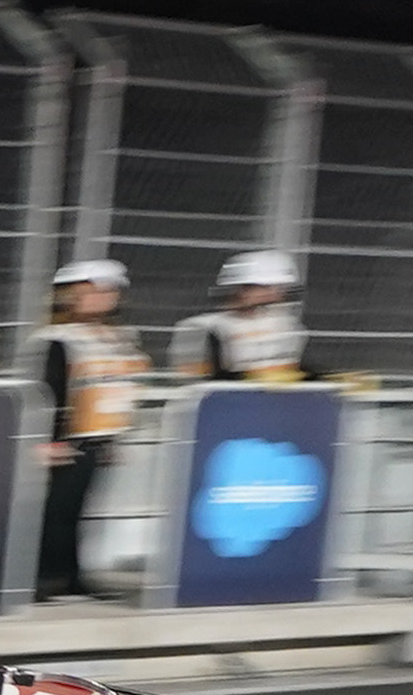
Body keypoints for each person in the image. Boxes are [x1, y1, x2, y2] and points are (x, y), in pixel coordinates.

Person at [34, 260, 147, 600]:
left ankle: (71, 577)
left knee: (77, 512)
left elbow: (119, 388)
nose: (105, 298)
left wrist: (114, 437)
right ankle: (41, 578)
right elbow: (49, 390)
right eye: (95, 291)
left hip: (98, 437)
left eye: (110, 291)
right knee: (53, 513)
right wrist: (51, 439)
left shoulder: (118, 338)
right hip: (65, 440)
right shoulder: (57, 338)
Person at [170, 251, 308, 383]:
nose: (274, 294)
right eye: (264, 287)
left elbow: (293, 369)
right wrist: (252, 378)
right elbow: (196, 379)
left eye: (277, 288)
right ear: (238, 288)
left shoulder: (287, 327)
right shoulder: (202, 327)